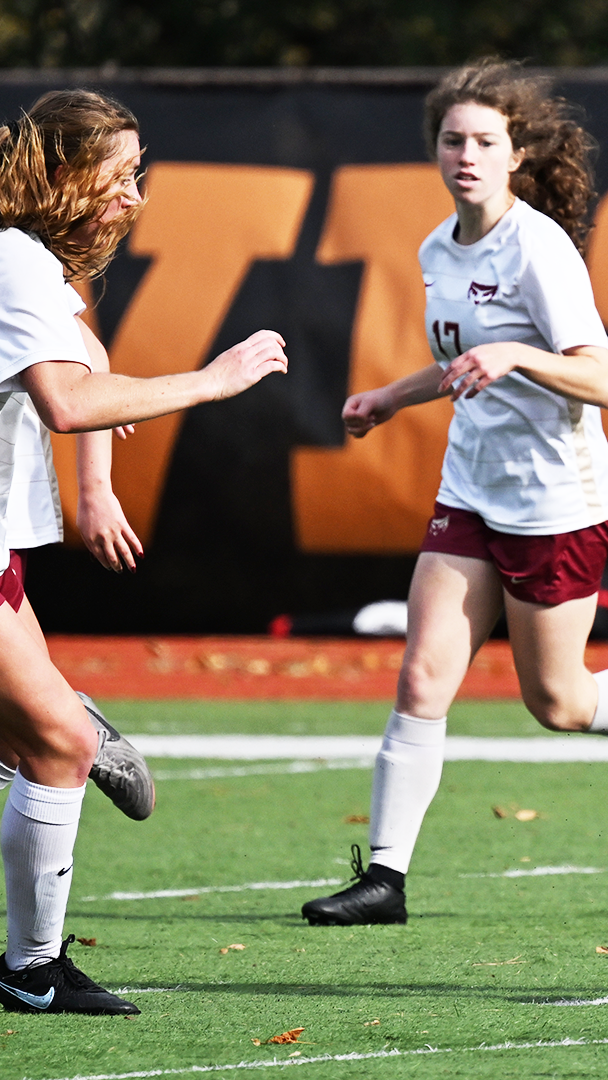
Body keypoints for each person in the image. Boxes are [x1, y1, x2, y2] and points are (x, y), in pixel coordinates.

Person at [301, 61, 608, 929]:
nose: (466, 156)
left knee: (559, 702)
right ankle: (385, 880)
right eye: (452, 140)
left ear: (517, 155)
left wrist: (516, 354)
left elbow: (602, 380)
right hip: (471, 487)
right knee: (422, 675)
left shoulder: (537, 247)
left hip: (555, 502)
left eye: (484, 141)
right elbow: (461, 361)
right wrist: (392, 396)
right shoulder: (438, 248)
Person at [0, 88, 290, 1013]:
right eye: (120, 174)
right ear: (63, 172)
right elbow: (70, 401)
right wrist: (211, 382)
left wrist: (95, 487)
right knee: (56, 742)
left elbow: (85, 355)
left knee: (30, 741)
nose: (136, 195)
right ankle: (31, 972)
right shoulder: (15, 259)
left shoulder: (30, 262)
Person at [2, 307, 153, 824]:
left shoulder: (13, 263)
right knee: (28, 740)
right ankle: (66, 714)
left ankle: (67, 718)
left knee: (47, 742)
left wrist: (95, 488)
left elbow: (76, 383)